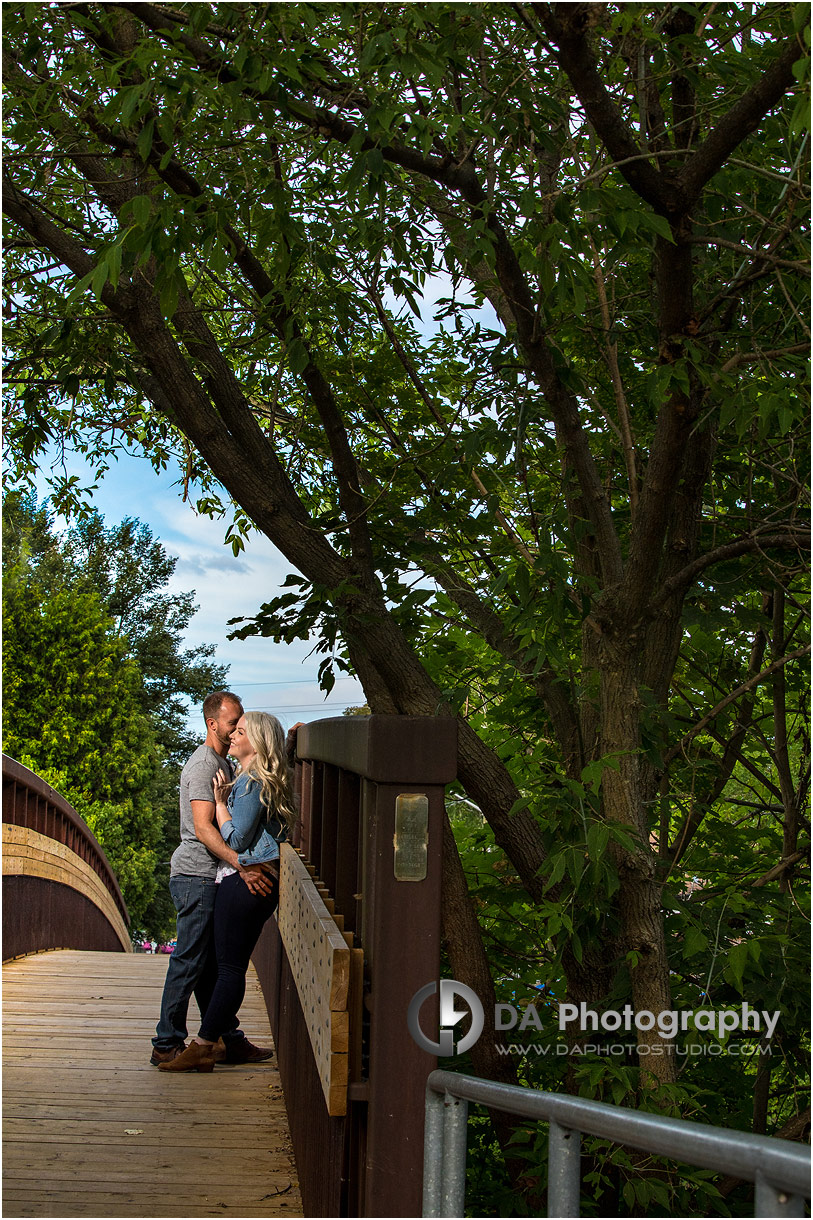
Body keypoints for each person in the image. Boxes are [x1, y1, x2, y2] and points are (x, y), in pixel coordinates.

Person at [159, 711, 296, 1072]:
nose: (234, 734)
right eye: (232, 727)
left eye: (241, 730)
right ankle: (220, 1041)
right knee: (220, 966)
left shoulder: (252, 782)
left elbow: (235, 837)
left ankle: (201, 1045)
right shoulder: (247, 776)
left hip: (248, 880)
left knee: (226, 967)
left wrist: (220, 803)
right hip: (245, 879)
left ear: (258, 741)